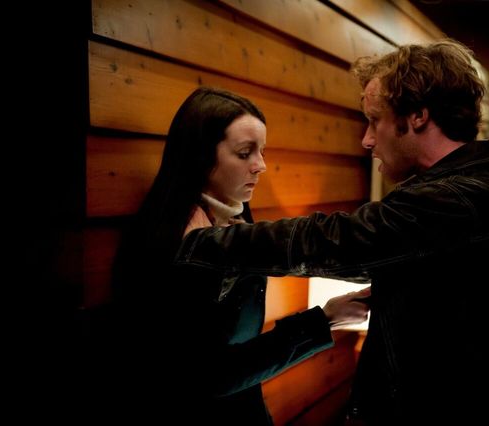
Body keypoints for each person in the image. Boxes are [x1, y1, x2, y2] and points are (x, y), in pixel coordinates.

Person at [177, 40, 489, 423]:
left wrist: (203, 243)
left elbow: (335, 240)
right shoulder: (471, 189)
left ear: (418, 116)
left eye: (375, 120)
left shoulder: (455, 199)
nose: (367, 139)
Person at [105, 86, 370, 424]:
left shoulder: (236, 219)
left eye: (262, 151)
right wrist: (324, 320)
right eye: (245, 153)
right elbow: (210, 374)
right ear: (201, 155)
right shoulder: (173, 240)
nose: (261, 166)